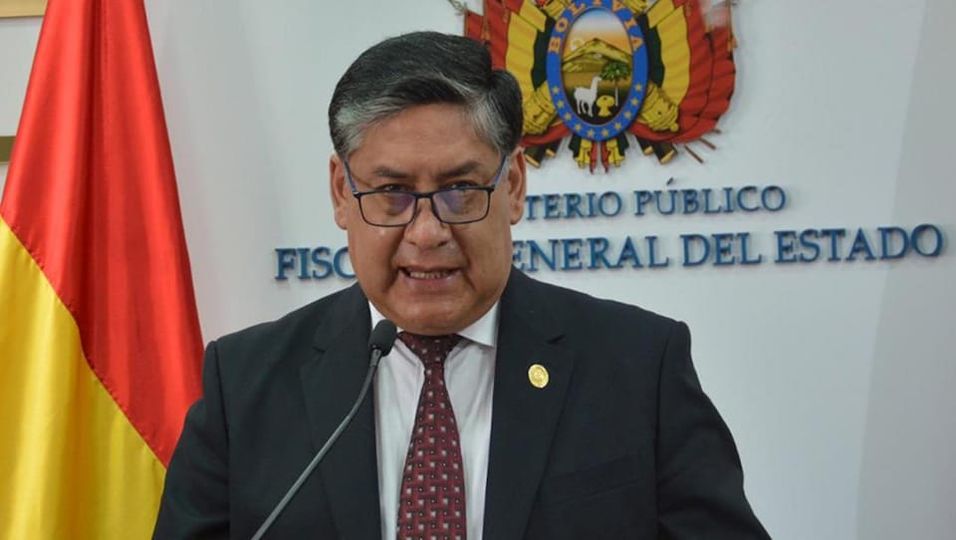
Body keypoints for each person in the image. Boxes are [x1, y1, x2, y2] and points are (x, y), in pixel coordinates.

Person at [155, 31, 769, 539]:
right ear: (342, 192)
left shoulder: (638, 367)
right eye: (392, 193)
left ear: (514, 186)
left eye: (461, 190)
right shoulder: (246, 385)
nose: (427, 232)